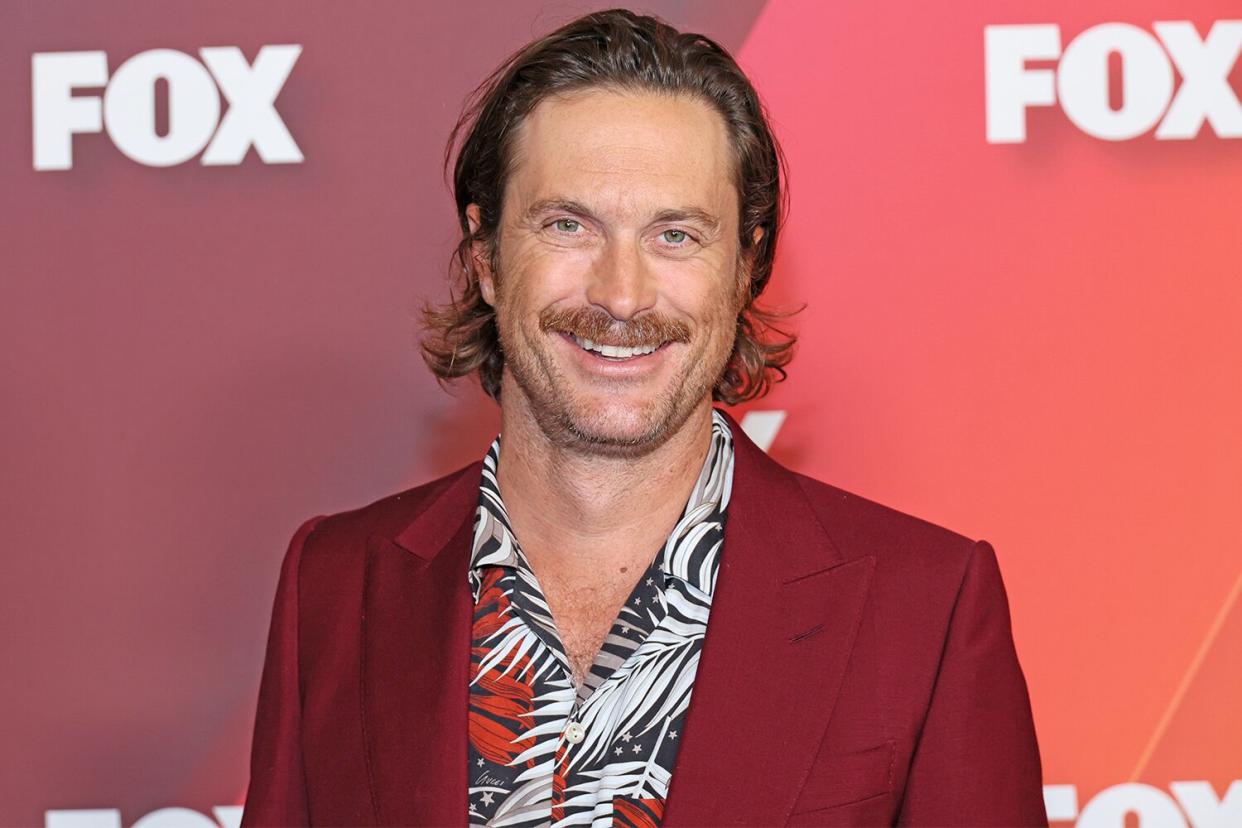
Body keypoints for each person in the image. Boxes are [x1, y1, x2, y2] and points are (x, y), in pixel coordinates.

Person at [241, 9, 1046, 827]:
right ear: (484, 257)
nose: (621, 295)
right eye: (567, 225)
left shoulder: (925, 607)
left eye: (674, 235)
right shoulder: (336, 587)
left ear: (743, 269)